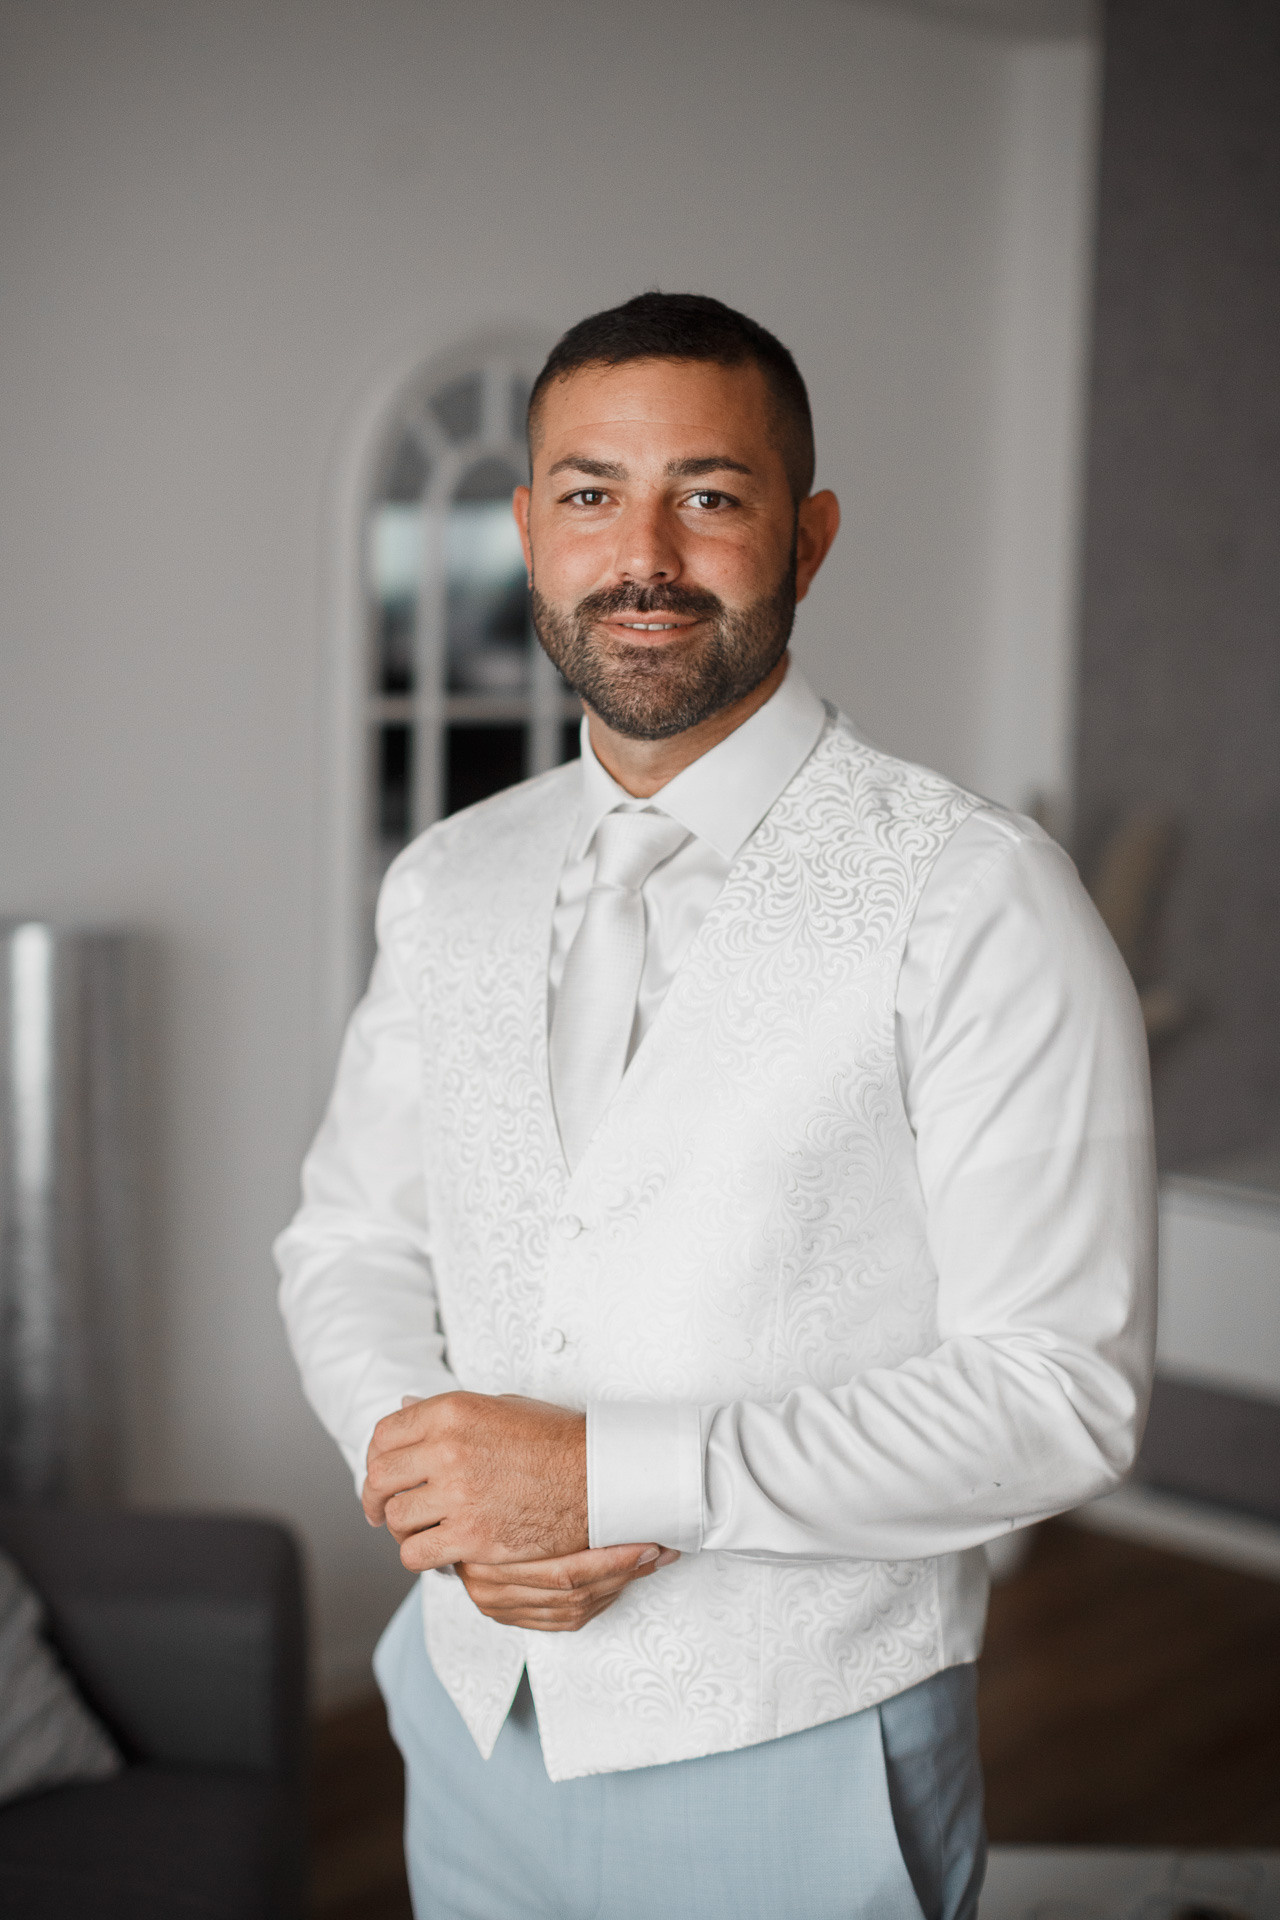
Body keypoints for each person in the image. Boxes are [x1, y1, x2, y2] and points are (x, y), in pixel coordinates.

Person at [276, 292, 1156, 1920]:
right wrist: (436, 1476)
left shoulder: (978, 899)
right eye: (593, 495)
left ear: (808, 536)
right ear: (532, 529)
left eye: (713, 494)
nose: (647, 554)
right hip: (467, 1722)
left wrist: (606, 1481)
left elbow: (1060, 1395)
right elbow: (348, 1243)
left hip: (801, 1748)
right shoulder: (449, 879)